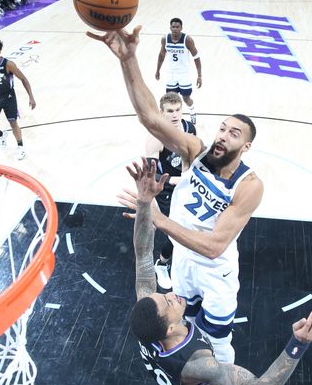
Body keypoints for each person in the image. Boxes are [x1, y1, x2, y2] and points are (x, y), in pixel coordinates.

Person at [126, 157, 312, 385]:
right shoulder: (198, 365)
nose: (170, 295)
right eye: (168, 303)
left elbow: (142, 257)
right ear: (168, 329)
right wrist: (299, 343)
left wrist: (144, 202)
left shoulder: (147, 319)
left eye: (162, 296)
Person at [91, 26, 264, 366]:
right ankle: (187, 376)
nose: (223, 136)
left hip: (217, 272)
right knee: (183, 328)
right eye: (222, 128)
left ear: (245, 146)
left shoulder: (249, 185)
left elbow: (215, 246)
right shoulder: (195, 151)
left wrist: (159, 219)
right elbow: (149, 117)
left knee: (217, 338)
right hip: (184, 261)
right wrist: (128, 61)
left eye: (234, 133)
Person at [147, 92, 198, 290]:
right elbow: (151, 177)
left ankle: (174, 261)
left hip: (185, 185)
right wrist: (180, 179)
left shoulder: (189, 128)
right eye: (170, 111)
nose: (175, 115)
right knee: (177, 232)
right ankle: (161, 263)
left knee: (189, 228)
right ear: (162, 112)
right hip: (165, 190)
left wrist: (190, 176)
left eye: (178, 110)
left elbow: (191, 158)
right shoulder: (156, 138)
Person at [155, 18, 203, 123]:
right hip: (171, 74)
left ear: (181, 28)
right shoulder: (165, 39)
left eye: (177, 27)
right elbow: (162, 54)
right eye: (173, 27)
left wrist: (199, 76)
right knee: (171, 99)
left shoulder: (187, 40)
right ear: (170, 27)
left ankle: (192, 111)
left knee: (186, 98)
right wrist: (158, 69)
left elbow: (196, 57)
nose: (175, 29)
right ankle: (171, 119)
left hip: (184, 74)